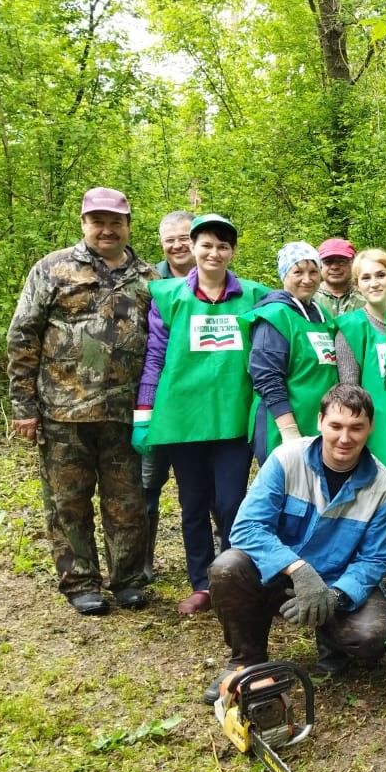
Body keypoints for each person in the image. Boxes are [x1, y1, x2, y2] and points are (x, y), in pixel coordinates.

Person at [6, 187, 157, 614]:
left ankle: (127, 579)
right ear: (84, 223)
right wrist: (23, 406)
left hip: (126, 414)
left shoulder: (149, 278)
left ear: (128, 225)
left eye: (115, 222)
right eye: (98, 221)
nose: (106, 230)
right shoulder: (53, 268)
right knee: (67, 504)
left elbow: (163, 346)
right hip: (62, 410)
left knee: (127, 501)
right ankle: (80, 582)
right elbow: (22, 336)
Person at [203, 384, 386, 701]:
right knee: (227, 567)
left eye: (356, 428)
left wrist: (335, 595)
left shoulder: (383, 486)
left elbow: (375, 559)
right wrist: (297, 568)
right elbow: (247, 527)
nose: (345, 438)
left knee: (370, 637)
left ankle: (330, 636)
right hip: (276, 574)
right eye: (336, 426)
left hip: (336, 581)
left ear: (370, 428)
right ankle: (245, 662)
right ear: (320, 421)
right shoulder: (286, 459)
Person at [133, 214, 268, 615]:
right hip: (182, 419)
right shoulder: (169, 295)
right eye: (206, 244)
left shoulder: (256, 295)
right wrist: (144, 413)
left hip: (232, 418)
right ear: (192, 248)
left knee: (231, 502)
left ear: (233, 252)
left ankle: (234, 575)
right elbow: (155, 356)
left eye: (223, 246)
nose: (214, 252)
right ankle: (203, 583)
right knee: (192, 503)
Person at [243, 242, 338, 463]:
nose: (307, 279)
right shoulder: (275, 315)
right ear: (284, 275)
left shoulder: (321, 315)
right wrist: (289, 431)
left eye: (313, 271)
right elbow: (266, 376)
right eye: (298, 272)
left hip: (318, 424)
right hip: (284, 425)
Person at [141, 209, 196, 579]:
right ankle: (140, 561)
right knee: (147, 484)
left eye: (184, 237)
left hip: (199, 405)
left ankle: (225, 563)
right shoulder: (146, 280)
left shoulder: (219, 283)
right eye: (169, 239)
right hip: (157, 400)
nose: (177, 245)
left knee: (205, 491)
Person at [334, 248, 386, 473]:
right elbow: (349, 389)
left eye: (381, 275)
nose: (374, 283)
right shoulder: (351, 327)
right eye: (366, 277)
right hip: (374, 431)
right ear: (357, 285)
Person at [315, 237, 363, 317]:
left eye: (341, 261)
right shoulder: (309, 297)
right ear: (320, 265)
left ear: (353, 263)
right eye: (328, 262)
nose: (334, 267)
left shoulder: (366, 295)